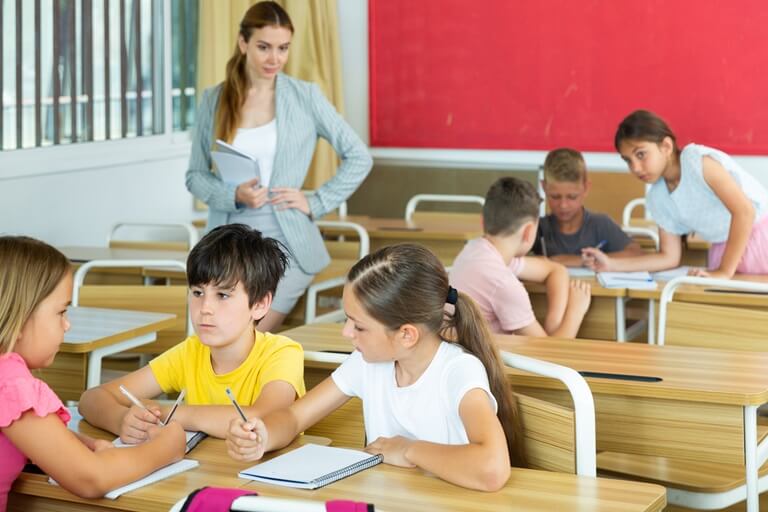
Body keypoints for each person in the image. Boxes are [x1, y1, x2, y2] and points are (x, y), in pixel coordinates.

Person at [226, 244, 525, 492]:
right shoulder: (368, 362)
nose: (346, 333)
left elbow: (492, 469)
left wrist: (408, 449)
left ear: (406, 335)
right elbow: (293, 417)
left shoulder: (458, 371)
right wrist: (263, 436)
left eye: (359, 326)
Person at [186, 1, 373, 332]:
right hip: (228, 240)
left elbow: (359, 156)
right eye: (264, 47)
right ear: (243, 43)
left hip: (288, 241)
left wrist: (316, 202)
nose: (274, 58)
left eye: (283, 48)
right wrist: (233, 194)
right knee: (215, 327)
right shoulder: (214, 100)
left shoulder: (305, 96)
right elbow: (195, 176)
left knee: (246, 335)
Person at [0, 236, 185, 510]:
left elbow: (22, 433)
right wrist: (167, 448)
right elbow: (91, 478)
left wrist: (73, 443)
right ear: (21, 314)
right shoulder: (12, 383)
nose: (67, 325)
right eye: (61, 311)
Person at [79, 224, 306, 442]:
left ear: (260, 304)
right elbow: (92, 398)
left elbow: (265, 419)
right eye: (197, 292)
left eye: (223, 295)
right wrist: (121, 420)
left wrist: (170, 413)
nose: (205, 308)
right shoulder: (190, 352)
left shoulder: (282, 353)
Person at [582, 110, 768, 278]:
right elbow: (669, 257)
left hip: (760, 239)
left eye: (641, 155)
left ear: (666, 146)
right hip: (724, 250)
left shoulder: (695, 161)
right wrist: (611, 264)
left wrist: (724, 271)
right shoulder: (658, 197)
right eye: (628, 160)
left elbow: (745, 212)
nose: (635, 168)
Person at [450, 177, 591, 338]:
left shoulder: (475, 250)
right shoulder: (503, 282)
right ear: (528, 231)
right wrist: (575, 311)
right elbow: (549, 353)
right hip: (483, 361)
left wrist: (554, 322)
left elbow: (555, 269)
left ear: (483, 222)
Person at [532, 148, 643, 267]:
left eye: (572, 197)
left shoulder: (600, 224)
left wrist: (585, 260)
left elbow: (636, 253)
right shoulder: (537, 228)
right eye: (555, 197)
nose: (563, 205)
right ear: (544, 187)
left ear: (586, 188)